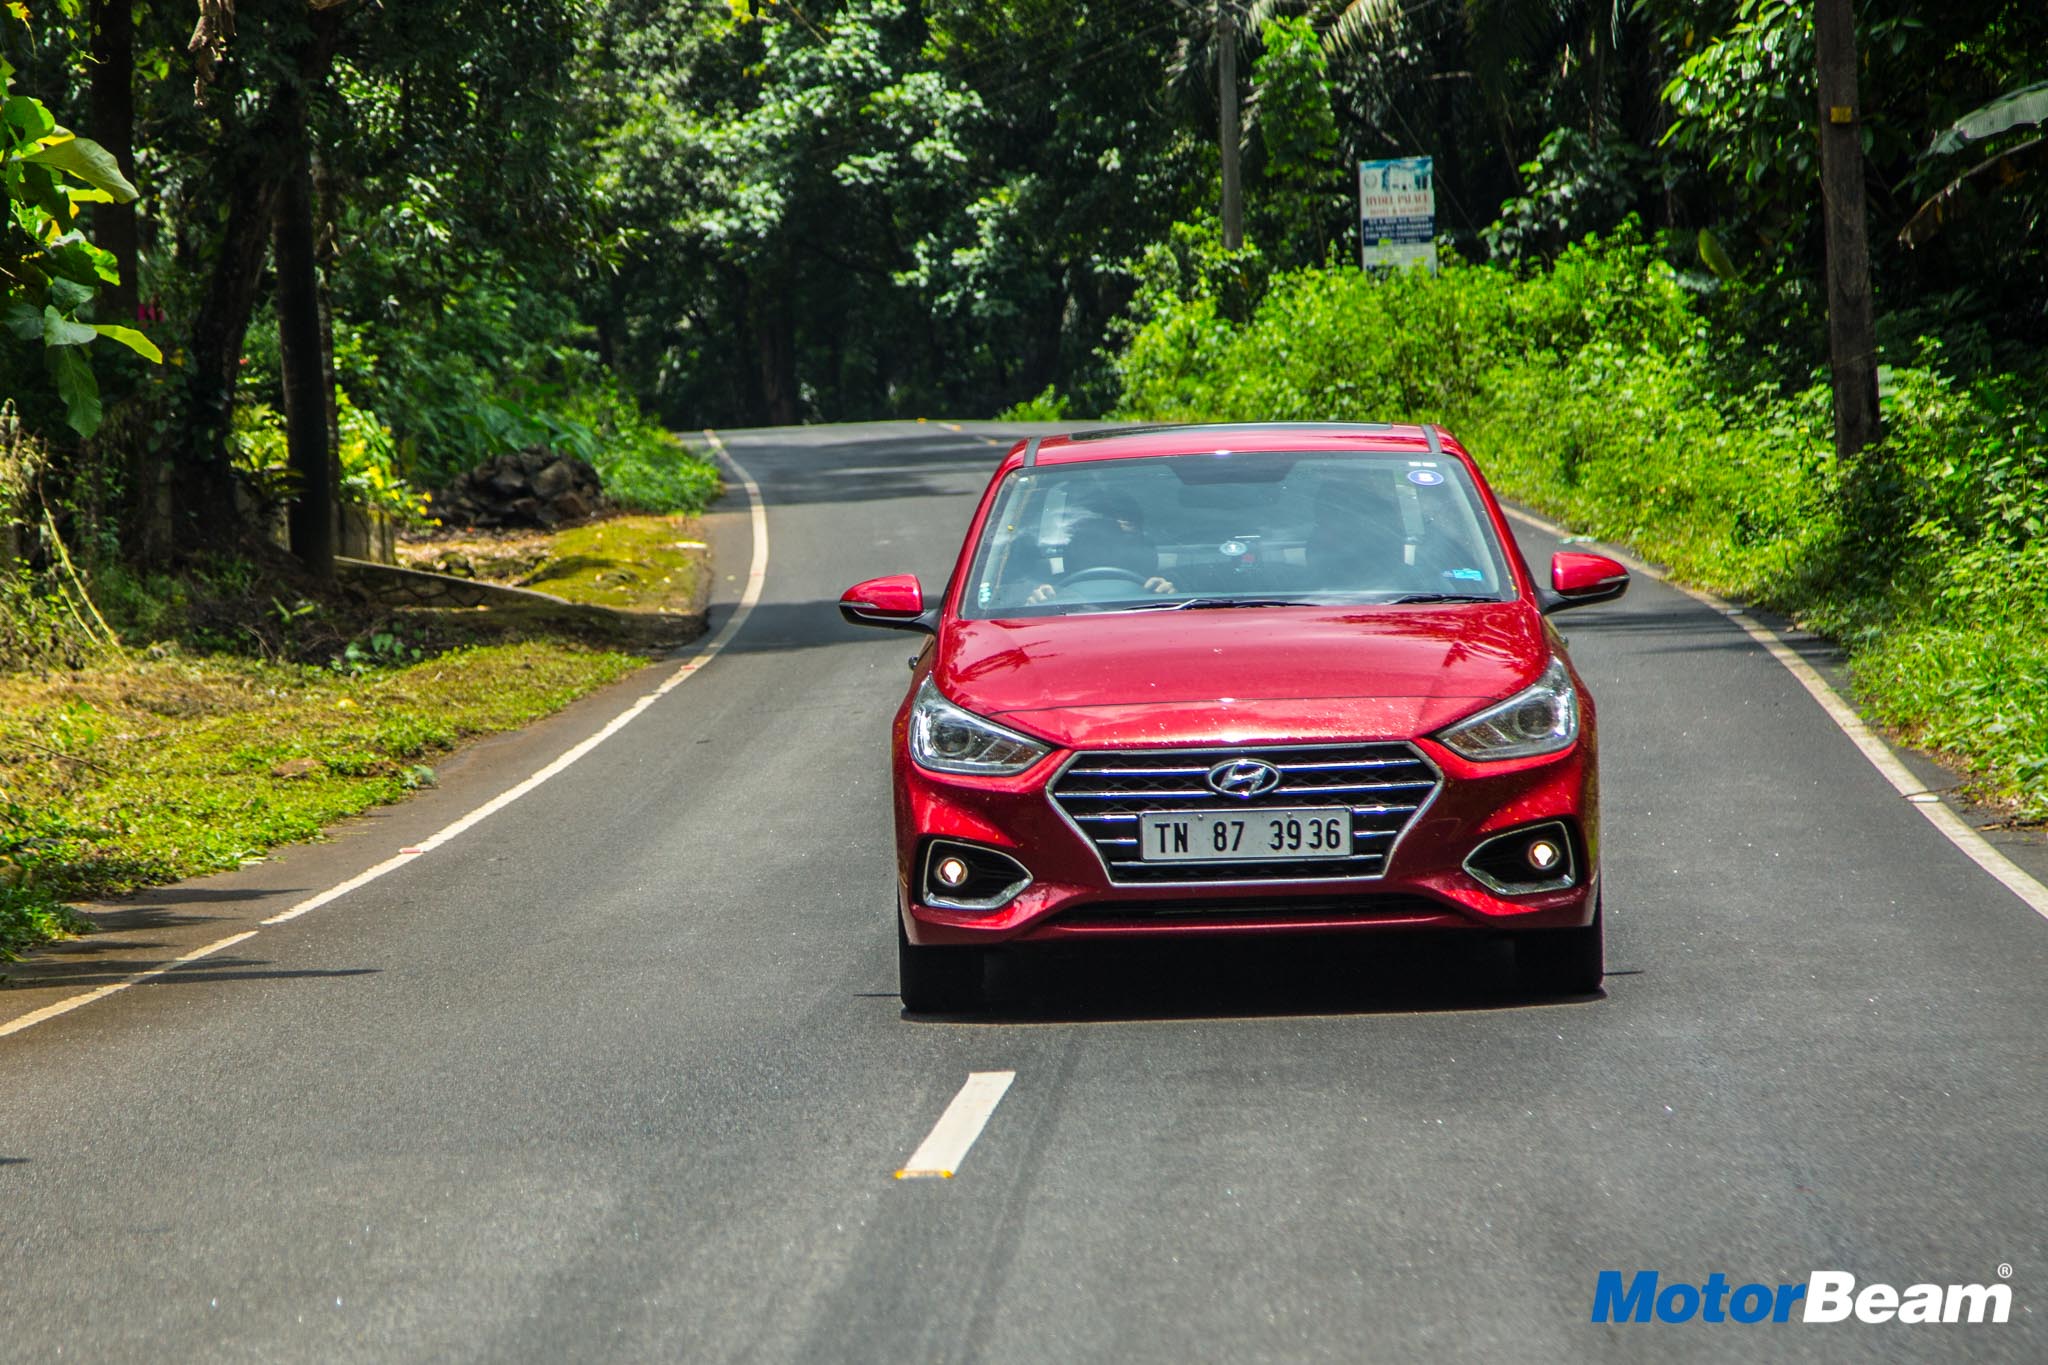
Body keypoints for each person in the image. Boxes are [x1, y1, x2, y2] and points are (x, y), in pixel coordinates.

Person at [1025, 490, 1174, 603]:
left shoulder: (1169, 587)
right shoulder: (1049, 593)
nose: (1102, 549)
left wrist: (1171, 599)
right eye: (1091, 538)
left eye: (1114, 538)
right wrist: (1035, 604)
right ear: (1071, 547)